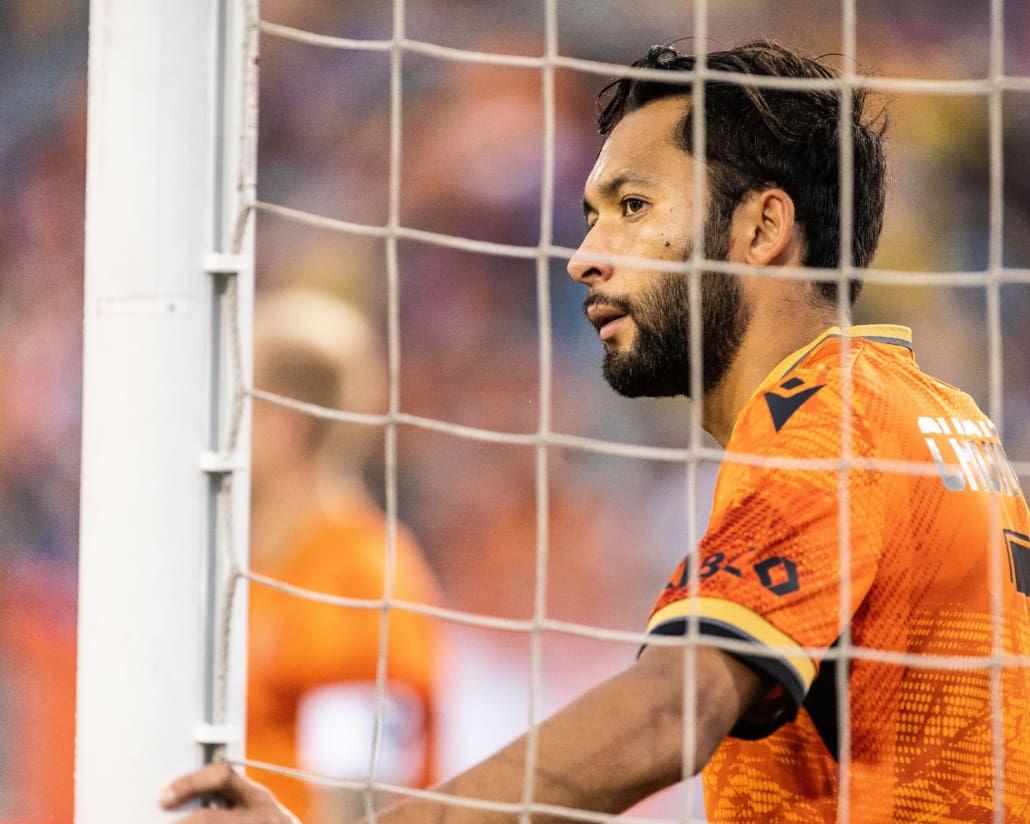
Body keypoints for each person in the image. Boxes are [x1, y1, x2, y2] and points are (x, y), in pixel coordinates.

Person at [160, 40, 1030, 822]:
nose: (585, 255)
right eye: (591, 214)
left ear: (762, 228)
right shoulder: (936, 415)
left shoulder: (828, 418)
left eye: (634, 205)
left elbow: (669, 715)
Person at [244, 287, 441, 822]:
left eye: (240, 402)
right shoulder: (262, 562)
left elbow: (362, 800)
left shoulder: (357, 576)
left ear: (283, 426)